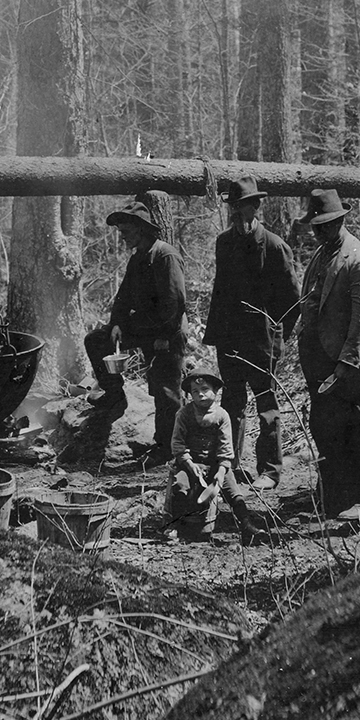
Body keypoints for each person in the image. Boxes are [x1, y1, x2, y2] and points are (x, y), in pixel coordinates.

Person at [203, 178, 299, 491]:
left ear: (255, 207)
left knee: (266, 404)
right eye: (232, 206)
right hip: (230, 339)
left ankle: (269, 470)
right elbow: (220, 291)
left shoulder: (273, 245)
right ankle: (230, 466)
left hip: (261, 340)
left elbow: (291, 300)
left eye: (241, 206)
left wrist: (278, 337)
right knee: (232, 404)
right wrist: (215, 333)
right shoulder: (224, 242)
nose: (235, 212)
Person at [295, 189, 360, 518]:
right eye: (315, 226)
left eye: (325, 225)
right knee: (324, 426)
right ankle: (333, 496)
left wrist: (348, 362)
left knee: (357, 427)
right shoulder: (320, 254)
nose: (318, 231)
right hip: (318, 359)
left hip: (349, 362)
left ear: (341, 220)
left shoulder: (359, 259)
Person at [84, 195, 188, 464]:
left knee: (165, 391)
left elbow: (174, 304)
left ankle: (167, 447)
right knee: (97, 340)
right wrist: (117, 323)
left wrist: (164, 338)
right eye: (120, 232)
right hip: (146, 328)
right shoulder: (138, 258)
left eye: (126, 232)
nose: (122, 237)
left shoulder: (165, 256)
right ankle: (114, 394)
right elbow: (123, 297)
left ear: (141, 229)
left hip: (169, 332)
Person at [163, 368, 253, 543]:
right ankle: (175, 526)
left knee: (233, 491)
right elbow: (177, 444)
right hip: (188, 464)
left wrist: (220, 472)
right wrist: (189, 464)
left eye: (205, 389)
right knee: (180, 486)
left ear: (216, 391)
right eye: (195, 392)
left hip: (215, 464)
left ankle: (247, 525)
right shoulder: (183, 414)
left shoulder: (222, 415)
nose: (200, 395)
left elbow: (226, 448)